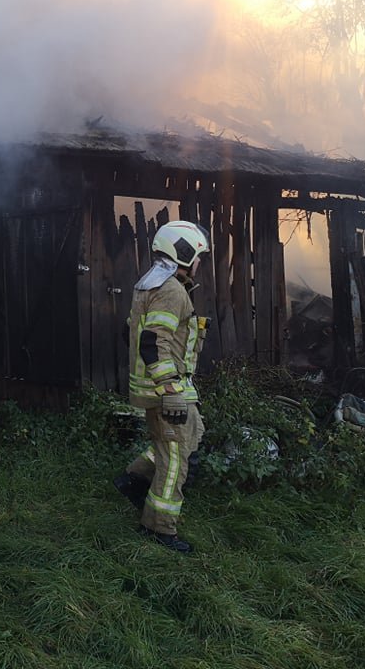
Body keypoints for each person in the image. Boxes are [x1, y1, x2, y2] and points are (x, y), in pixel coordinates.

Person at [113, 220, 210, 553]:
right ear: (184, 253)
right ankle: (158, 527)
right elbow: (153, 341)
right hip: (168, 391)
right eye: (198, 257)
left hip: (166, 386)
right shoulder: (170, 290)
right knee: (175, 461)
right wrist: (169, 390)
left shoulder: (150, 284)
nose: (199, 264)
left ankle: (134, 480)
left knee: (191, 436)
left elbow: (131, 331)